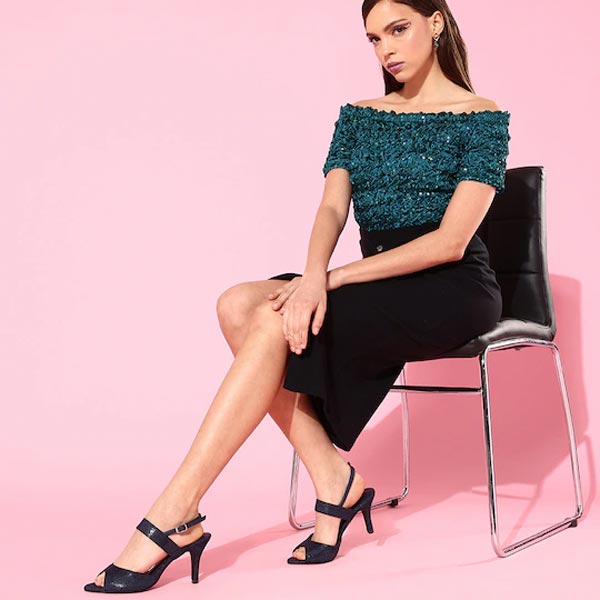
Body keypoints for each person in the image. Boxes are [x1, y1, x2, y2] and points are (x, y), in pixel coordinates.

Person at [84, 0, 510, 593]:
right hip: (375, 277)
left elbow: (449, 241)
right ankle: (334, 479)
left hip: (451, 288)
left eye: (398, 29)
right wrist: (312, 275)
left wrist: (328, 281)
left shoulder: (481, 117)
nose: (386, 48)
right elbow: (332, 207)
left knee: (269, 318)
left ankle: (175, 511)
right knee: (238, 303)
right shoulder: (359, 117)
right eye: (373, 38)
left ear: (435, 23)